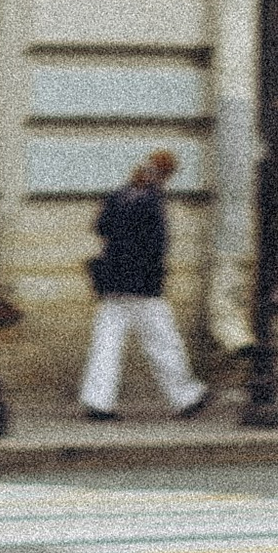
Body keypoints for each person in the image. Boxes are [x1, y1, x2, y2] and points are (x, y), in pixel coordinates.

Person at [78, 150, 207, 421]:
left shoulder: (119, 194)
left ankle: (97, 401)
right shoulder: (152, 201)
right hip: (143, 286)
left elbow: (100, 227)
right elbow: (158, 246)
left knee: (106, 343)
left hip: (113, 282)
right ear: (165, 175)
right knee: (163, 341)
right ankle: (187, 396)